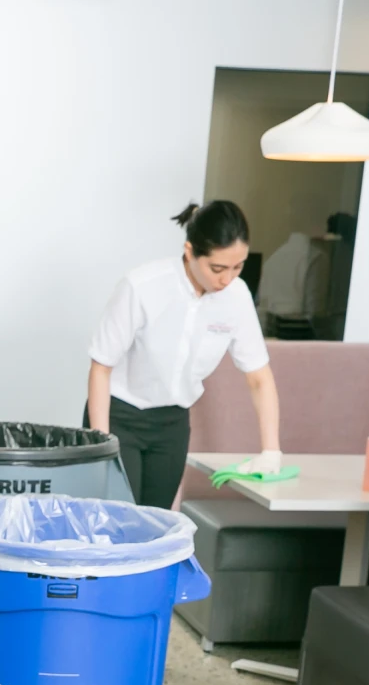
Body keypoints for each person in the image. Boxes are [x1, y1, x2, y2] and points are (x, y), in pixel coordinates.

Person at [84, 200, 282, 510]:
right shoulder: (142, 286)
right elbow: (101, 367)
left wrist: (271, 451)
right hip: (120, 416)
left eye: (238, 267)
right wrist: (101, 445)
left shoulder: (237, 297)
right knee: (117, 520)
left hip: (172, 423)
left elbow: (259, 378)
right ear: (190, 252)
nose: (227, 279)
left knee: (157, 523)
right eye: (217, 268)